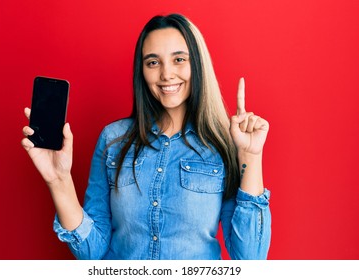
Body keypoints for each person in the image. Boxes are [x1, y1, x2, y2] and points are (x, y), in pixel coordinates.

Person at [21, 13, 271, 260]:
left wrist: (251, 155)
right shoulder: (113, 139)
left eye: (179, 59)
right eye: (153, 62)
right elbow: (92, 251)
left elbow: (250, 257)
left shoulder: (222, 146)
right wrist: (58, 180)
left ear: (197, 63)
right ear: (142, 71)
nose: (166, 74)